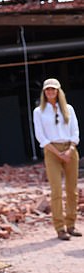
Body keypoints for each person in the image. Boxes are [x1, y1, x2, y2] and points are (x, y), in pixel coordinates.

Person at [33, 78, 81, 241]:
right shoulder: (39, 111)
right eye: (47, 90)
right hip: (52, 150)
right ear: (44, 92)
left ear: (58, 91)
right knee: (56, 190)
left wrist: (70, 149)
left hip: (70, 148)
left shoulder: (68, 109)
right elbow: (40, 135)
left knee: (72, 190)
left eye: (53, 89)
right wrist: (57, 153)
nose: (50, 92)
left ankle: (71, 224)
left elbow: (75, 130)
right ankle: (59, 227)